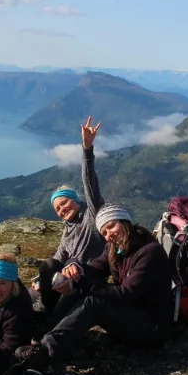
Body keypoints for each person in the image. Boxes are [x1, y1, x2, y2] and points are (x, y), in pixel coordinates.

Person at [17, 204, 173, 367]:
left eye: (111, 226)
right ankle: (46, 334)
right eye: (104, 232)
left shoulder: (149, 252)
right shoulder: (115, 248)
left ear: (124, 221)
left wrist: (85, 283)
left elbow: (127, 294)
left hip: (150, 326)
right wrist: (73, 266)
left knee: (93, 303)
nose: (109, 235)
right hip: (130, 313)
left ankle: (45, 353)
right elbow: (93, 268)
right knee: (78, 283)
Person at [33, 116, 106, 315]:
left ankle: (46, 311)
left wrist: (87, 148)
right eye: (57, 208)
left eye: (64, 202)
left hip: (88, 279)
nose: (62, 209)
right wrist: (41, 280)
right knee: (26, 292)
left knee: (49, 315)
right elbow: (58, 258)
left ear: (76, 200)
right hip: (67, 277)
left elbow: (90, 183)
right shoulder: (67, 232)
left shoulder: (93, 214)